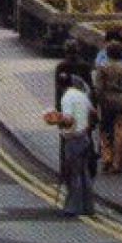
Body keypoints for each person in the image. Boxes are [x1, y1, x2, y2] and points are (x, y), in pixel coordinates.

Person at [46, 75, 95, 216]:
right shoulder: (82, 95)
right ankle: (88, 207)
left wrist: (55, 120)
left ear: (60, 86)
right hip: (85, 137)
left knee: (73, 174)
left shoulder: (66, 97)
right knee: (84, 173)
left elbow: (68, 120)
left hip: (73, 139)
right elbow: (93, 112)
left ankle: (72, 208)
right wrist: (84, 123)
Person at [93, 39, 122, 174]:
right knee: (119, 133)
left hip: (106, 101)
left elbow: (98, 88)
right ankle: (117, 163)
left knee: (105, 131)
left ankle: (106, 158)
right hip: (121, 101)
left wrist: (98, 102)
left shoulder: (102, 67)